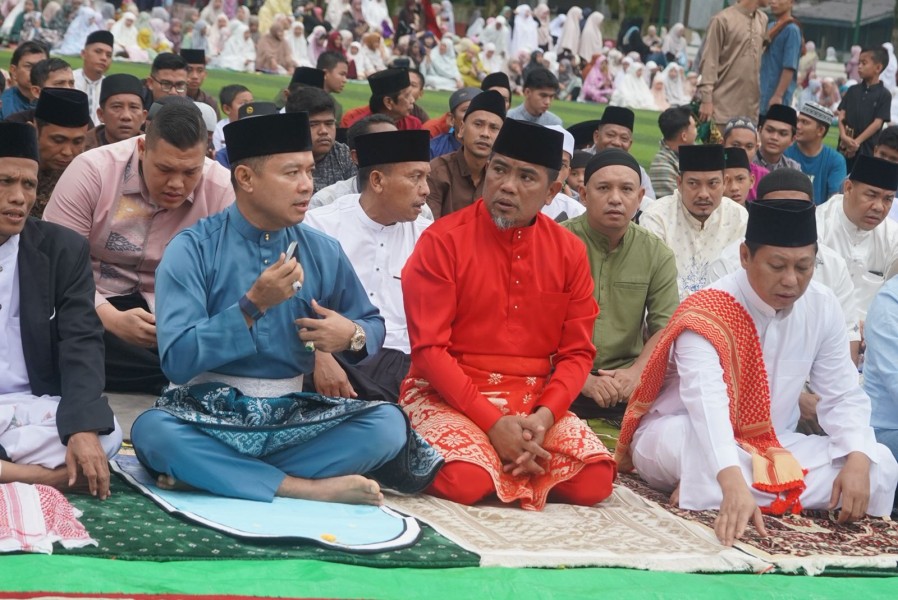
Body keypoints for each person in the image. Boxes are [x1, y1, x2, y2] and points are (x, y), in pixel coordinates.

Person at [131, 111, 441, 504]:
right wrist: (250, 306)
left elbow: (371, 324)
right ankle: (302, 487)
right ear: (245, 178)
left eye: (310, 172)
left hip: (290, 416)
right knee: (155, 433)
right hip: (204, 413)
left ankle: (219, 475)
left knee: (388, 426)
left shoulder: (322, 250)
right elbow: (175, 361)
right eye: (291, 173)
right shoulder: (193, 249)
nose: (306, 186)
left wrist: (351, 335)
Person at [616, 198, 898, 546]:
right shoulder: (707, 310)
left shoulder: (822, 305)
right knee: (696, 451)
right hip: (682, 435)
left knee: (879, 464)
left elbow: (841, 394)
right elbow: (707, 405)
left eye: (804, 267)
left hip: (772, 447)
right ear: (745, 256)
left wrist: (856, 454)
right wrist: (730, 477)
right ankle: (725, 488)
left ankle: (707, 493)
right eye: (777, 266)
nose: (791, 280)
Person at [399, 118, 617, 509]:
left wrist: (544, 419)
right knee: (466, 480)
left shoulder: (568, 252)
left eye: (526, 177)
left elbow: (577, 353)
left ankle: (508, 458)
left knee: (594, 480)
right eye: (499, 169)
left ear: (552, 192)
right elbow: (429, 351)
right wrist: (493, 425)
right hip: (447, 393)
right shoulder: (442, 242)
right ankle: (492, 459)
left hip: (534, 401)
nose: (507, 185)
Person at [43, 103, 234, 394]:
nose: (176, 184)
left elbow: (228, 279)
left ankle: (173, 369)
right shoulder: (93, 171)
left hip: (176, 312)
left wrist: (186, 325)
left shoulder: (220, 187)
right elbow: (57, 267)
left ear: (206, 157)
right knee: (60, 334)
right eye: (165, 169)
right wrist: (112, 320)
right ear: (142, 148)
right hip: (93, 300)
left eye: (190, 172)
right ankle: (179, 376)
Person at [0, 121, 122, 497]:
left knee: (107, 433)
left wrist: (82, 428)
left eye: (29, 184)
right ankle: (44, 478)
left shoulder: (61, 249)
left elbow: (81, 339)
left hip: (27, 408)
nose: (20, 197)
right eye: (5, 182)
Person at [304, 129, 431, 402]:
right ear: (377, 180)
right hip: (337, 357)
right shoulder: (321, 227)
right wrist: (320, 359)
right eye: (415, 177)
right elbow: (298, 307)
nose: (426, 190)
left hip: (406, 365)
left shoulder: (429, 238)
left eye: (427, 177)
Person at [563, 149, 678, 419]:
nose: (615, 198)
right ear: (583, 194)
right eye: (603, 188)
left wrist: (635, 373)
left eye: (626, 189)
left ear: (640, 198)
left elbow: (666, 327)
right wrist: (582, 379)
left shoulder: (656, 253)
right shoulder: (556, 243)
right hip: (559, 376)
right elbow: (534, 326)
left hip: (626, 382)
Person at [640, 144, 747, 299]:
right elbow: (654, 283)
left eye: (712, 184)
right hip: (668, 314)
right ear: (679, 183)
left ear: (725, 182)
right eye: (693, 184)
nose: (703, 194)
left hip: (723, 315)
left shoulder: (738, 217)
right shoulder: (657, 217)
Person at [815, 154, 898, 320]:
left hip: (872, 332)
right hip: (820, 324)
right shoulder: (817, 225)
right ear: (848, 188)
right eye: (871, 195)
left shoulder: (893, 237)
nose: (879, 207)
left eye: (887, 199)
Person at [426, 90, 505, 219]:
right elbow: (428, 227)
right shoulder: (438, 172)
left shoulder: (502, 178)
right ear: (462, 129)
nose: (485, 133)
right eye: (478, 124)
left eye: (494, 128)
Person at [697, 0, 769, 127]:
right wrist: (706, 100)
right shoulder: (722, 20)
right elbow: (709, 62)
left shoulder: (763, 19)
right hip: (721, 109)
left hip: (750, 112)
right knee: (716, 147)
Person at [29, 88, 90, 219]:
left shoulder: (91, 180)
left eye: (77, 142)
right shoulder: (10, 169)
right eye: (58, 140)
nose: (67, 152)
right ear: (34, 130)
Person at [285, 86, 355, 193]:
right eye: (313, 124)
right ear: (294, 126)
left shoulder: (344, 155)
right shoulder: (280, 157)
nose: (323, 131)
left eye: (329, 123)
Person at [838, 47, 892, 171]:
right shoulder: (852, 90)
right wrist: (843, 136)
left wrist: (856, 142)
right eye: (859, 63)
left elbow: (877, 123)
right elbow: (842, 115)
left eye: (864, 63)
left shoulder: (884, 95)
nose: (859, 67)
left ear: (878, 68)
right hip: (844, 146)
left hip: (866, 149)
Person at [591, 107, 657, 205]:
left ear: (630, 144)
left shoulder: (639, 172)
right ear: (597, 137)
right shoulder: (578, 161)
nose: (617, 143)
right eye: (610, 135)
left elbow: (650, 206)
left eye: (624, 138)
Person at [784, 102, 847, 205]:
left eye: (804, 122)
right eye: (798, 121)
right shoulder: (785, 151)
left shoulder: (836, 160)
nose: (798, 126)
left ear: (820, 130)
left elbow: (835, 202)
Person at [340, 68, 422, 130]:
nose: (413, 100)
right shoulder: (360, 128)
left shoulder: (414, 124)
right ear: (388, 102)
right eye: (407, 96)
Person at [84, 74, 146, 152]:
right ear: (101, 114)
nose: (126, 116)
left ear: (144, 116)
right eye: (117, 107)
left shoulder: (154, 151)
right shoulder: (80, 148)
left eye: (133, 107)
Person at [759, 0, 800, 116]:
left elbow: (789, 67)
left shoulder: (792, 30)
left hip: (776, 98)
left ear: (791, 2)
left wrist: (778, 95)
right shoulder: (771, 26)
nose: (773, 2)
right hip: (762, 93)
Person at [649, 106, 697, 199]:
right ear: (684, 136)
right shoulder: (661, 166)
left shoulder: (694, 154)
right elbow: (676, 202)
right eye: (694, 127)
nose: (697, 132)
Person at [542, 125, 586, 222]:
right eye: (547, 161)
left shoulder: (576, 212)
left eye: (561, 165)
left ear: (567, 172)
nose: (554, 171)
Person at [722, 117, 768, 202]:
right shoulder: (715, 173)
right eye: (736, 145)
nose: (742, 151)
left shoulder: (764, 176)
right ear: (722, 144)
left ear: (756, 148)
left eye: (749, 147)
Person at [73, 29, 113, 126]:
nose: (104, 58)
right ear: (83, 54)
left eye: (109, 55)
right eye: (98, 51)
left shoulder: (111, 87)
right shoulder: (70, 80)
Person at [0, 41, 48, 120]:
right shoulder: (3, 104)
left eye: (41, 66)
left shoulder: (54, 103)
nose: (36, 71)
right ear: (14, 71)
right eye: (29, 66)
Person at [428, 87, 479, 159]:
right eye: (466, 110)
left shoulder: (494, 150)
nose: (475, 115)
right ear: (451, 119)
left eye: (479, 110)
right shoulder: (433, 149)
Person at [755, 104, 801, 171]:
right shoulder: (746, 162)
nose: (774, 137)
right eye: (769, 130)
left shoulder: (793, 169)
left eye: (783, 134)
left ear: (792, 140)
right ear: (760, 131)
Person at [211, 84, 252, 154]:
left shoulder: (256, 125)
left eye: (251, 103)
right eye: (244, 103)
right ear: (227, 109)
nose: (249, 108)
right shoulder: (219, 129)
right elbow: (217, 155)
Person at [181, 48, 219, 117]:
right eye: (189, 70)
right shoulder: (173, 98)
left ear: (205, 74)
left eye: (200, 70)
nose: (195, 76)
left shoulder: (210, 103)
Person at [318, 50, 349, 123]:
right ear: (325, 73)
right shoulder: (299, 98)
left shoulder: (336, 107)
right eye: (342, 74)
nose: (345, 80)